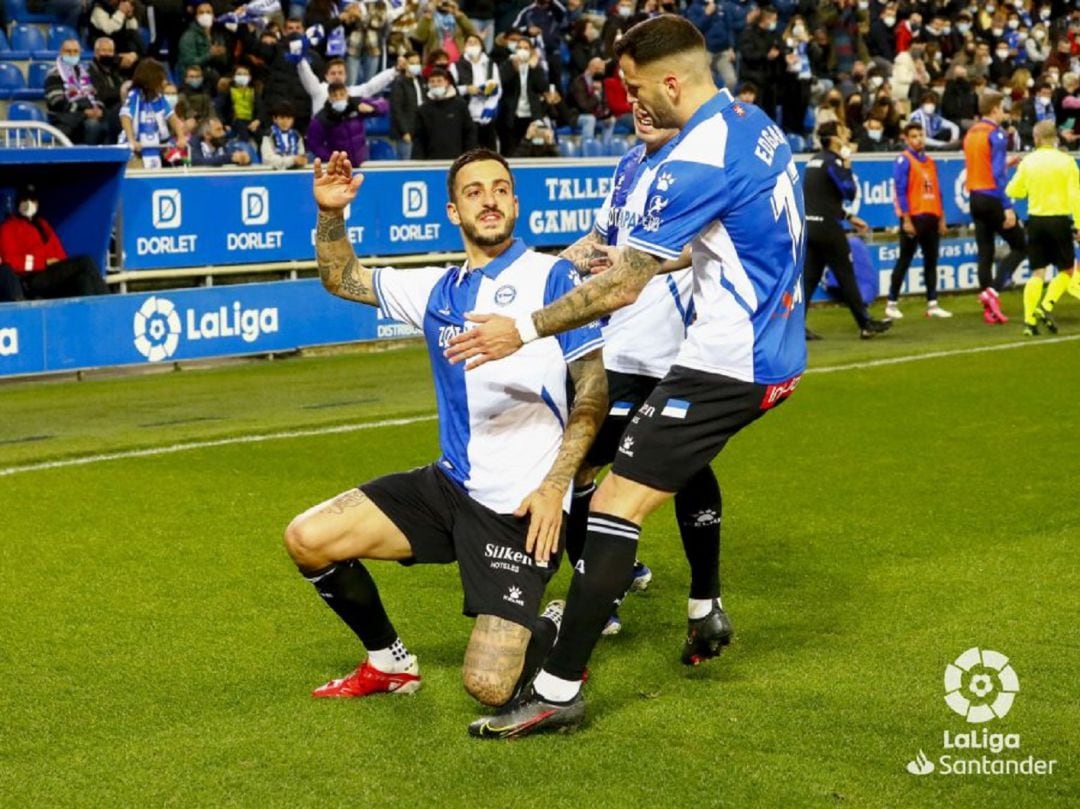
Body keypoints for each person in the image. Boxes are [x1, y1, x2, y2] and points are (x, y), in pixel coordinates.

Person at [448, 15, 807, 738]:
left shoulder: (692, 159)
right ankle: (698, 610)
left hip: (727, 363)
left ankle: (557, 686)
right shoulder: (751, 122)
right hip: (766, 350)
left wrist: (520, 326)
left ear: (671, 81)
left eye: (638, 87)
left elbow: (620, 288)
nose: (632, 101)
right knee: (623, 492)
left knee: (612, 505)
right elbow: (694, 242)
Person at [284, 148, 605, 710]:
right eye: (475, 191)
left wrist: (557, 488)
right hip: (448, 489)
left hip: (520, 512)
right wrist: (331, 213)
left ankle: (557, 619)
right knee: (308, 539)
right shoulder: (436, 289)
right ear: (454, 212)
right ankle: (389, 662)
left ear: (516, 203)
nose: (490, 199)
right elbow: (343, 278)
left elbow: (594, 391)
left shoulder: (552, 278)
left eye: (501, 189)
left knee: (488, 687)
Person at [556, 102, 725, 641]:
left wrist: (635, 261)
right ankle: (606, 590)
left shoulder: (697, 168)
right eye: (634, 102)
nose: (642, 112)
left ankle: (706, 596)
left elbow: (697, 248)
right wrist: (554, 268)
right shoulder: (629, 165)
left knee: (685, 470)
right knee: (578, 465)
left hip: (673, 352)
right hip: (615, 347)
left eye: (653, 103)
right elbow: (598, 237)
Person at [803, 121, 891, 339]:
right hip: (827, 229)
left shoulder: (814, 161)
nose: (848, 134)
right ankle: (865, 323)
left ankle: (794, 328)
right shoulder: (834, 162)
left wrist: (850, 217)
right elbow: (849, 191)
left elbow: (820, 200)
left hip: (811, 226)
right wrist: (847, 163)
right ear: (834, 139)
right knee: (846, 275)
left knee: (809, 279)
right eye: (843, 132)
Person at [1005, 120, 1080, 337]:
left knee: (1037, 271)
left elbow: (1014, 191)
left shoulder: (1028, 162)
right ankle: (1046, 306)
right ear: (1055, 138)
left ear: (1036, 138)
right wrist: (1078, 223)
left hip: (1036, 220)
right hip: (1059, 219)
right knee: (1066, 269)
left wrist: (1030, 187)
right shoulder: (1066, 162)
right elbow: (1076, 195)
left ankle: (1029, 321)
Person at [963, 91, 1026, 325]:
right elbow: (997, 175)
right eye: (1002, 108)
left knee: (985, 252)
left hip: (975, 197)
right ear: (994, 110)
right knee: (1021, 245)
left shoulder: (971, 133)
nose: (1004, 112)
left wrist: (1005, 162)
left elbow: (981, 164)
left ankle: (989, 309)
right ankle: (994, 292)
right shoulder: (996, 135)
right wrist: (1007, 206)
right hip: (992, 198)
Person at [884, 122, 951, 320]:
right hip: (914, 217)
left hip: (931, 216)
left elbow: (937, 191)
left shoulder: (930, 161)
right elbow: (900, 191)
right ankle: (891, 302)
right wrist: (905, 219)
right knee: (904, 260)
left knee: (931, 261)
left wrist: (942, 218)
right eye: (914, 136)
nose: (918, 139)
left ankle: (932, 303)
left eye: (920, 135)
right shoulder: (903, 160)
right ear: (906, 139)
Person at [0, 185, 108, 301]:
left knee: (83, 280)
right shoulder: (8, 228)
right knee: (85, 262)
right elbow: (10, 261)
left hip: (52, 276)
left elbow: (60, 254)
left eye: (32, 200)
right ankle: (111, 305)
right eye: (24, 200)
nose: (28, 204)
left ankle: (93, 316)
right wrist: (43, 262)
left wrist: (58, 263)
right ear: (17, 203)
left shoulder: (43, 225)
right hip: (31, 279)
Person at [118, 58, 188, 169]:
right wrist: (131, 140)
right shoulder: (134, 95)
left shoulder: (160, 98)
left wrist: (181, 137)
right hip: (135, 151)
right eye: (162, 78)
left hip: (153, 148)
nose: (165, 82)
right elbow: (125, 116)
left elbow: (172, 117)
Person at [44, 40, 108, 146]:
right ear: (61, 52)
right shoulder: (54, 75)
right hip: (66, 119)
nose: (72, 55)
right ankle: (88, 159)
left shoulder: (85, 73)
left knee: (111, 122)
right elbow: (56, 102)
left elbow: (97, 96)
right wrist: (84, 111)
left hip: (87, 115)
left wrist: (98, 109)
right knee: (92, 126)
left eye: (75, 52)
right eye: (68, 51)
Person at [307, 82, 388, 166]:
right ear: (329, 98)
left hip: (361, 161)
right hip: (339, 167)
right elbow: (314, 144)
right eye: (335, 95)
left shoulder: (357, 104)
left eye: (342, 94)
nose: (339, 98)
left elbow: (384, 104)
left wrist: (373, 108)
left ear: (347, 94)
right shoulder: (322, 118)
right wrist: (332, 159)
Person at [298, 56, 397, 119]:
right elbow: (307, 77)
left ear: (346, 76)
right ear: (326, 76)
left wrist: (395, 70)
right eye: (333, 73)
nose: (337, 76)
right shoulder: (318, 90)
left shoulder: (352, 92)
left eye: (340, 73)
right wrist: (300, 60)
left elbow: (371, 86)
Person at [498, 36, 548, 156]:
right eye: (519, 47)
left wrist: (533, 68)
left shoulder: (536, 68)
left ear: (531, 51)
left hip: (531, 117)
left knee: (532, 152)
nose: (522, 50)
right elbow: (501, 82)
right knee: (510, 152)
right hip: (511, 117)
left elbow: (542, 87)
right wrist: (513, 68)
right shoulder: (507, 65)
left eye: (526, 48)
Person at [451, 33, 502, 151]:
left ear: (481, 46)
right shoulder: (456, 66)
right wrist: (466, 89)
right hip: (467, 116)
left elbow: (499, 88)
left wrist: (490, 90)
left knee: (490, 152)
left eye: (476, 42)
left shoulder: (491, 65)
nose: (473, 45)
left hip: (487, 115)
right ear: (464, 46)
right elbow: (451, 89)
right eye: (470, 42)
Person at [412, 68, 476, 159]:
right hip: (431, 161)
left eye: (439, 81)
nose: (436, 84)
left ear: (446, 82)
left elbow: (469, 133)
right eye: (432, 81)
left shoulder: (460, 105)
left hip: (458, 159)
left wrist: (469, 157)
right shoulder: (423, 109)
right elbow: (419, 139)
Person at [177, 2, 231, 85]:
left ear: (213, 16)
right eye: (201, 13)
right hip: (194, 76)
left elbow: (224, 62)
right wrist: (210, 54)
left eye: (208, 12)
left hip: (214, 73)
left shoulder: (217, 35)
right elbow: (190, 62)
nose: (205, 15)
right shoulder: (189, 36)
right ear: (196, 17)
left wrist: (222, 54)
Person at [215, 65, 265, 142]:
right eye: (239, 74)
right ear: (234, 77)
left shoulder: (254, 91)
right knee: (243, 133)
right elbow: (218, 109)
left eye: (245, 74)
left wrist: (257, 121)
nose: (242, 76)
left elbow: (261, 108)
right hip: (235, 121)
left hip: (251, 121)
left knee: (261, 137)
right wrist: (224, 124)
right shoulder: (227, 91)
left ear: (250, 77)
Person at [390, 52, 425, 160]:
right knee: (406, 161)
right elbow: (397, 109)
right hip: (405, 132)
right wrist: (404, 132)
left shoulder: (420, 80)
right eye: (412, 63)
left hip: (419, 129)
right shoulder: (399, 83)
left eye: (417, 63)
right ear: (405, 64)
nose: (415, 65)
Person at [261, 102, 308, 170]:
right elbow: (267, 159)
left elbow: (301, 155)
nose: (285, 121)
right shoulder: (268, 135)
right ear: (275, 119)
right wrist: (292, 160)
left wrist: (302, 160)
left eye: (289, 118)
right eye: (282, 118)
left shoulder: (297, 136)